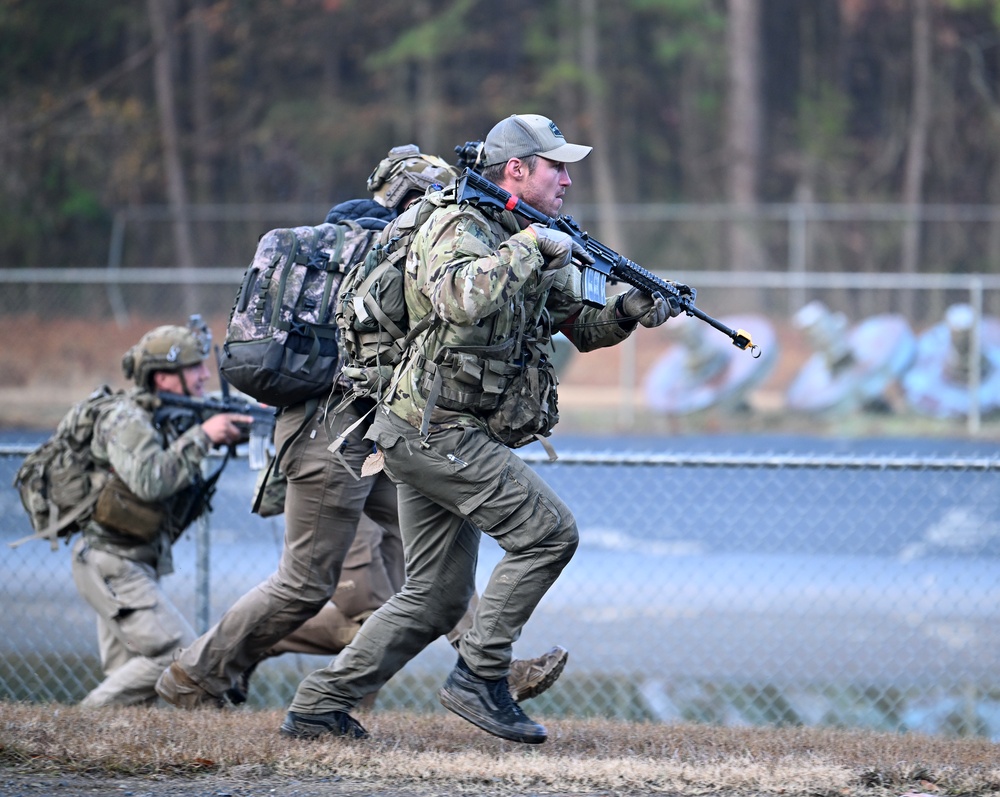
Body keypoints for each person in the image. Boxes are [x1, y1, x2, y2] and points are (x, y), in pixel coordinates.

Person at [278, 113, 682, 744]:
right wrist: (530, 249)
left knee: (436, 596)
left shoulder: (529, 232)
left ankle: (319, 707)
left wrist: (629, 311)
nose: (569, 180)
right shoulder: (456, 224)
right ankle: (481, 678)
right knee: (549, 534)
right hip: (433, 428)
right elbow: (460, 298)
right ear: (516, 170)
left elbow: (575, 324)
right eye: (557, 167)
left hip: (440, 431)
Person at [156, 145, 568, 710]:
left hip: (380, 429)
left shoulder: (366, 247)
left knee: (433, 566)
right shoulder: (389, 249)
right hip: (331, 429)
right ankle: (193, 678)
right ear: (411, 197)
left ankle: (490, 666)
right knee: (304, 583)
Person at [71, 321, 252, 707]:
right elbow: (150, 480)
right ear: (164, 377)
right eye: (194, 367)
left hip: (135, 561)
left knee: (131, 689)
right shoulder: (126, 420)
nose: (206, 374)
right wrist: (205, 436)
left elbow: (221, 419)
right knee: (180, 656)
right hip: (111, 562)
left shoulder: (169, 413)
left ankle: (102, 755)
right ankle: (80, 725)